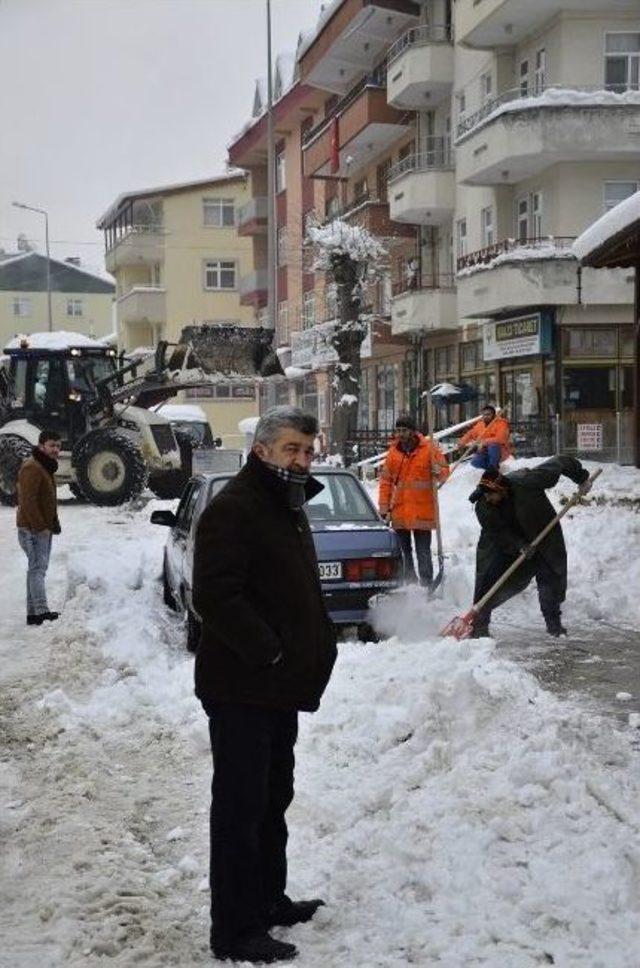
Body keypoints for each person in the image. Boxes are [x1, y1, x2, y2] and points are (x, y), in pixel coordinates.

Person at [192, 406, 337, 965]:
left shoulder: (285, 501)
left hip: (275, 688)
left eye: (307, 449)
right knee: (240, 808)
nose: (301, 459)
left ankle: (267, 899)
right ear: (262, 451)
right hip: (242, 687)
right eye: (291, 450)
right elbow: (216, 595)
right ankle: (234, 930)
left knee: (273, 798)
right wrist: (271, 650)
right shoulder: (236, 508)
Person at [469, 458, 592, 639]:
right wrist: (519, 545)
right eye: (485, 495)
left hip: (542, 533)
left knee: (550, 577)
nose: (488, 498)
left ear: (501, 489)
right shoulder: (484, 506)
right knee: (489, 581)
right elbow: (499, 532)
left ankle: (554, 626)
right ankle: (479, 627)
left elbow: (560, 462)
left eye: (491, 495)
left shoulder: (527, 481)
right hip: (501, 543)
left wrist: (581, 478)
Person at [378, 414, 449, 587]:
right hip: (400, 511)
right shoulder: (393, 454)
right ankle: (409, 582)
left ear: (412, 431)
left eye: (404, 430)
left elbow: (445, 473)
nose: (401, 434)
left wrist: (438, 470)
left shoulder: (429, 450)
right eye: (398, 430)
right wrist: (383, 507)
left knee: (423, 551)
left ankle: (426, 584)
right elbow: (385, 482)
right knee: (404, 552)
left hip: (422, 512)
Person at [16, 428, 62, 626]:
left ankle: (33, 614)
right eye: (52, 445)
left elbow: (47, 498)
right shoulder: (32, 467)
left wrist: (52, 523)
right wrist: (40, 526)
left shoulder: (45, 466)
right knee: (38, 570)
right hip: (33, 529)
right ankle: (41, 612)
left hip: (43, 527)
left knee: (35, 569)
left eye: (58, 446)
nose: (56, 450)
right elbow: (28, 501)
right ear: (41, 445)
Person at [459, 405, 511, 470]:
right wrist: (462, 442)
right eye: (484, 415)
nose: (486, 416)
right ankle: (491, 469)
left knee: (493, 446)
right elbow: (471, 434)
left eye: (488, 414)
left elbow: (500, 438)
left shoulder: (501, 424)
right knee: (475, 462)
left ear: (494, 415)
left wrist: (484, 442)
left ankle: (493, 468)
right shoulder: (480, 424)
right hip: (484, 450)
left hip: (500, 451)